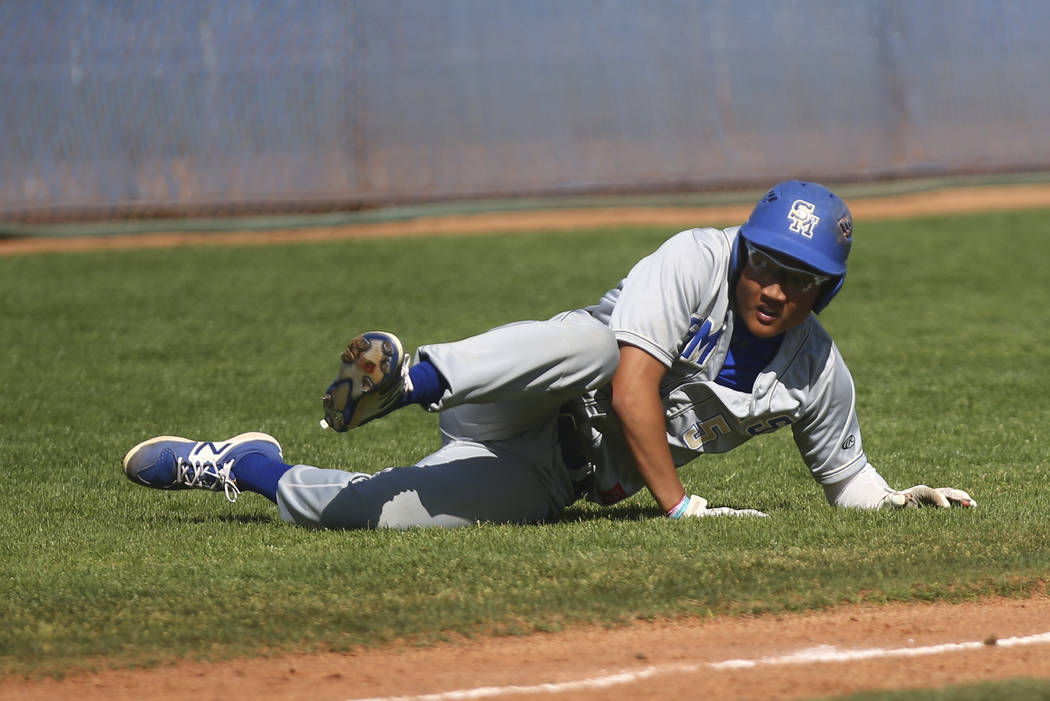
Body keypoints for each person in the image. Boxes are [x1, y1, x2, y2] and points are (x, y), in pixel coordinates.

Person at [122, 180, 975, 528]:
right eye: (765, 261)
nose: (772, 286)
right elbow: (635, 386)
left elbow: (848, 484)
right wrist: (682, 512)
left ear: (823, 293)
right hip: (523, 391)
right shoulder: (695, 258)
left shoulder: (817, 372)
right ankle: (409, 378)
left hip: (554, 476)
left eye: (798, 278)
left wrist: (896, 497)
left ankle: (243, 465)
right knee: (598, 343)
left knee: (380, 517)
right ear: (745, 250)